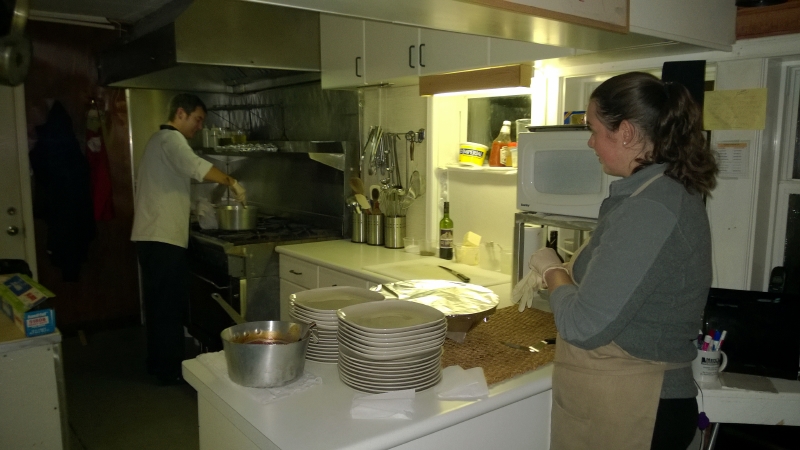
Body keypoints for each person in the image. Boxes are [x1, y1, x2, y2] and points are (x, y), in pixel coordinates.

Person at [528, 72, 718, 449]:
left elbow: (581, 325)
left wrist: (551, 269)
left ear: (626, 132)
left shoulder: (649, 209)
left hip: (638, 408)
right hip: (629, 401)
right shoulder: (653, 195)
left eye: (595, 129)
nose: (590, 142)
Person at [131, 93, 246, 384]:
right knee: (168, 309)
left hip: (152, 237)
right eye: (197, 119)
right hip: (162, 240)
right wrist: (231, 181)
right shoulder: (171, 140)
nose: (199, 126)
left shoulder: (159, 141)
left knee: (159, 307)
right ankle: (169, 372)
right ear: (180, 114)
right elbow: (196, 166)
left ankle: (158, 366)